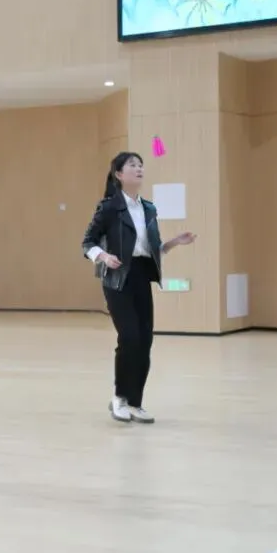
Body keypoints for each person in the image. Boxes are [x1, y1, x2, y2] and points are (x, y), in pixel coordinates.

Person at [81, 152, 196, 425]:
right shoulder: (109, 207)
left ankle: (135, 402)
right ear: (119, 174)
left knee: (145, 340)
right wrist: (104, 256)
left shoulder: (149, 209)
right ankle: (120, 398)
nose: (139, 168)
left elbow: (150, 249)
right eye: (132, 165)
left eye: (141, 165)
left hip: (142, 276)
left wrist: (174, 243)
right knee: (129, 337)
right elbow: (88, 242)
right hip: (118, 278)